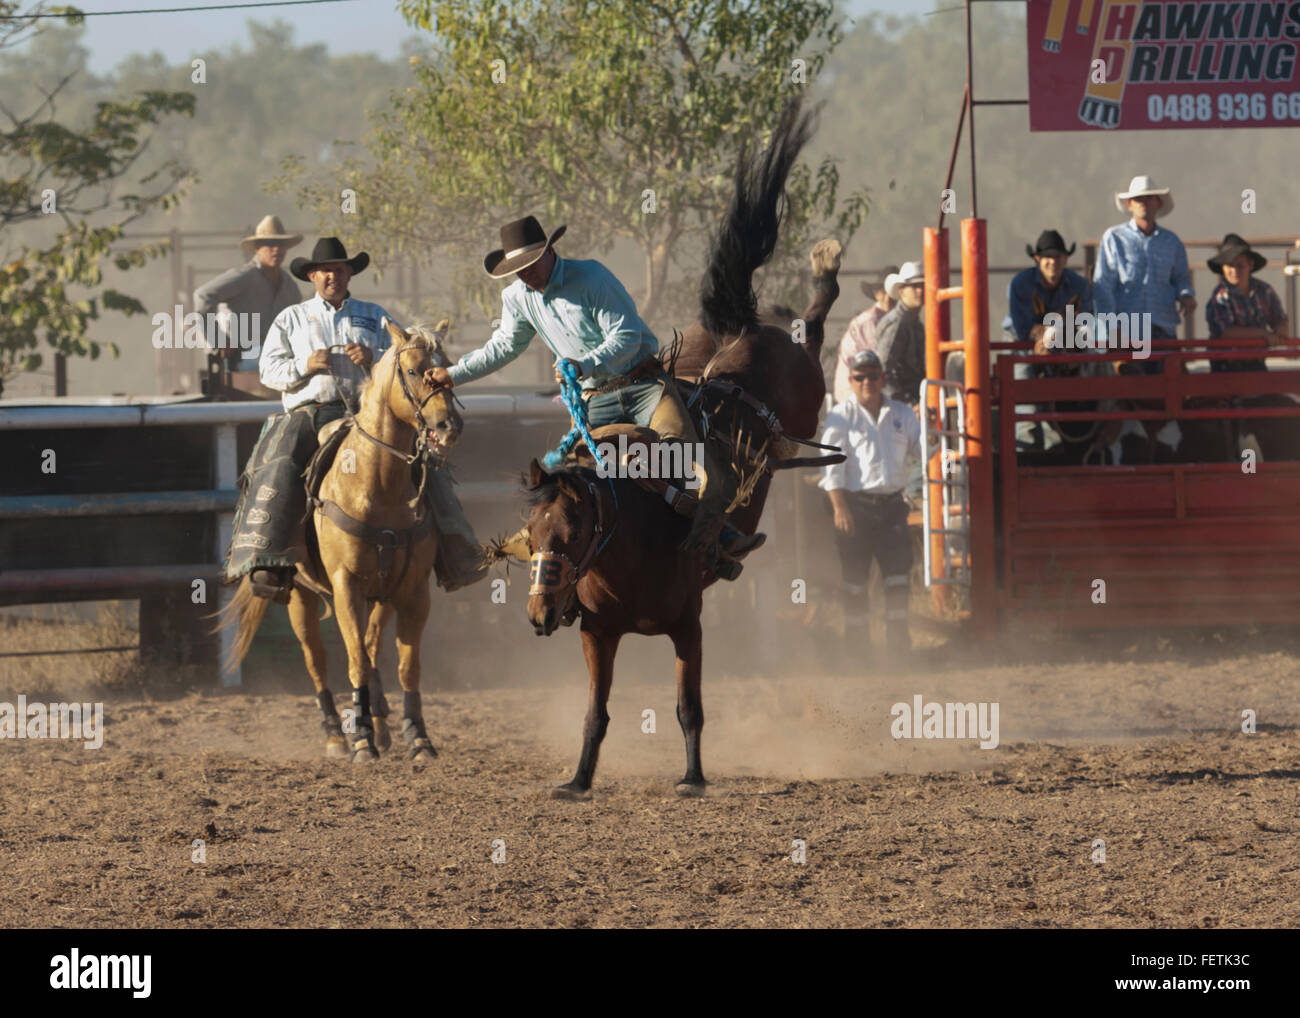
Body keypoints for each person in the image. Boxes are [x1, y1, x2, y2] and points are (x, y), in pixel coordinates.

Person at [426, 215, 762, 577]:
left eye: (529, 265)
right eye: (517, 269)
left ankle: (718, 539)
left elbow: (627, 336)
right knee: (563, 483)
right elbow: (504, 346)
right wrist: (454, 374)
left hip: (643, 387)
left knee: (683, 454)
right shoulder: (517, 298)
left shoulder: (592, 278)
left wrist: (581, 364)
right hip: (594, 400)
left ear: (549, 252)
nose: (524, 275)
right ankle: (560, 581)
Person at [225, 237, 486, 602]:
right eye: (325, 270)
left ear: (349, 274)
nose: (333, 276)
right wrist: (306, 364)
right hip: (312, 412)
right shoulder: (292, 318)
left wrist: (374, 356)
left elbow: (407, 357)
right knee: (282, 461)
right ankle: (268, 556)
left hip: (367, 414)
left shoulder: (376, 315)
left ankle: (458, 549)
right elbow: (268, 371)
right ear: (313, 276)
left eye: (339, 269)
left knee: (424, 462)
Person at [820, 350, 921, 658]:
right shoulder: (841, 416)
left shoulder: (903, 414)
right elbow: (830, 466)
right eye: (860, 377)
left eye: (873, 376)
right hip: (855, 508)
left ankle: (898, 647)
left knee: (898, 578)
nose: (867, 382)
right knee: (854, 582)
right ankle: (856, 649)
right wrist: (840, 508)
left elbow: (922, 453)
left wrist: (917, 492)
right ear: (850, 381)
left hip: (892, 506)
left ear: (882, 378)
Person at [1093, 175, 1195, 454]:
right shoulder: (1114, 238)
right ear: (1129, 205)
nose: (1144, 204)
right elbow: (1104, 286)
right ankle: (1132, 450)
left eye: (1149, 198)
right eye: (1139, 199)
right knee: (1131, 394)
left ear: (1158, 203)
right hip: (1129, 331)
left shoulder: (1172, 242)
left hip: (1162, 328)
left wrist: (1186, 295)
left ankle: (1160, 450)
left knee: (1168, 395)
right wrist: (1110, 327)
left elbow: (1182, 277)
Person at [1004, 230, 1099, 453]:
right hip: (1023, 345)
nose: (1052, 262)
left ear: (1065, 259)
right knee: (1024, 396)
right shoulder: (1020, 284)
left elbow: (1086, 323)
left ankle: (1073, 442)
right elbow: (1023, 328)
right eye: (1047, 257)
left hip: (1063, 344)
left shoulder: (1079, 285)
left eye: (1057, 257)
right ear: (1037, 259)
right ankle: (1026, 450)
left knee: (1087, 376)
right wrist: (1052, 334)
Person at [193, 215, 304, 372]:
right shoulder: (244, 277)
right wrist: (218, 340)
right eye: (270, 244)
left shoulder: (290, 287)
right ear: (258, 248)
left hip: (279, 362)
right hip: (241, 361)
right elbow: (203, 295)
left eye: (281, 244)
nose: (277, 249)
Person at [1205, 233, 1289, 374]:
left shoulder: (1264, 290)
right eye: (1229, 266)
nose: (1234, 271)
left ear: (1250, 265)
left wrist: (1281, 330)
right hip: (1226, 366)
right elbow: (1227, 332)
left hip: (1257, 363)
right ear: (1223, 269)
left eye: (1240, 265)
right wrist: (1264, 334)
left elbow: (1279, 319)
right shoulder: (1220, 296)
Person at [832, 265, 898, 405]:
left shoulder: (890, 320)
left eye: (891, 292)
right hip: (855, 392)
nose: (887, 298)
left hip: (865, 387)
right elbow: (877, 360)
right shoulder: (869, 321)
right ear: (876, 294)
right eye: (882, 292)